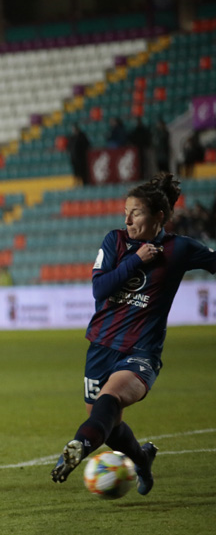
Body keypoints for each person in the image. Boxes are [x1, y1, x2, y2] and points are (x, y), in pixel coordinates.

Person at [50, 173, 216, 493]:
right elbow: (100, 289)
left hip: (142, 351)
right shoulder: (115, 241)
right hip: (101, 346)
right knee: (107, 425)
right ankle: (142, 459)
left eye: (135, 213)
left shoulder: (179, 248)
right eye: (126, 212)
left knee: (109, 399)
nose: (127, 220)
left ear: (159, 217)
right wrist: (136, 261)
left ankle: (78, 446)